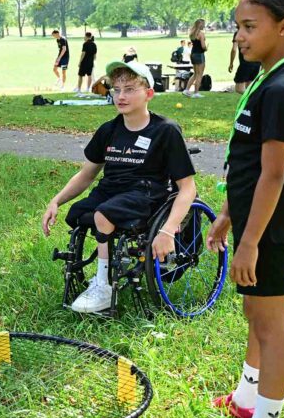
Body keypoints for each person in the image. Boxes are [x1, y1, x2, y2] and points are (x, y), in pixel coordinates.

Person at [203, 0, 284, 418]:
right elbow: (245, 162)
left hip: (268, 225)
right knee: (255, 316)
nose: (240, 38)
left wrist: (249, 243)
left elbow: (272, 175)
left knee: (271, 326)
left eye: (249, 27)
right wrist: (229, 213)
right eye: (237, 28)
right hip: (252, 218)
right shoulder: (267, 78)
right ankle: (247, 398)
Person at [40, 59, 197, 313]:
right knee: (80, 212)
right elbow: (87, 174)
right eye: (116, 89)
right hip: (111, 189)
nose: (121, 96)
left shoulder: (165, 131)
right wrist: (56, 201)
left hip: (147, 192)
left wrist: (167, 231)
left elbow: (187, 187)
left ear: (149, 94)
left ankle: (104, 287)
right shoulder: (108, 130)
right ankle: (101, 274)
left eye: (130, 89)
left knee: (103, 215)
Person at [229, 26, 260, 93]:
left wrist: (231, 63)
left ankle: (247, 101)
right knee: (250, 88)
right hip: (257, 63)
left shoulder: (238, 34)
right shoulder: (254, 33)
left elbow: (234, 50)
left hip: (245, 63)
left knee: (239, 89)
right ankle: (251, 101)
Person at [183, 19, 206, 97]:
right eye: (203, 24)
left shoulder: (192, 33)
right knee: (200, 74)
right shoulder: (201, 34)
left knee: (195, 74)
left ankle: (186, 90)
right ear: (200, 25)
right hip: (199, 54)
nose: (204, 25)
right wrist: (206, 48)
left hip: (193, 54)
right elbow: (203, 46)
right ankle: (196, 93)